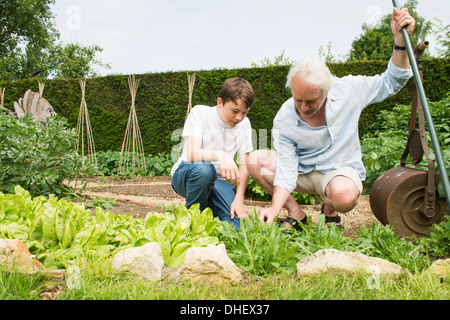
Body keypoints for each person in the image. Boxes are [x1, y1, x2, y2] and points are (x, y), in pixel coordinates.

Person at [247, 7, 416, 231]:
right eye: (298, 100)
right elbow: (287, 169)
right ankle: (296, 214)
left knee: (343, 196)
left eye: (311, 101)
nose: (303, 108)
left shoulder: (348, 90)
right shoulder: (285, 117)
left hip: (339, 171)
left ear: (326, 91)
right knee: (255, 160)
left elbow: (392, 81)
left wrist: (400, 41)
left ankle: (330, 209)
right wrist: (274, 207)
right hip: (302, 172)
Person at [171, 78, 255, 231]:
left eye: (244, 112)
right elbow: (192, 153)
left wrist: (239, 198)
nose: (239, 118)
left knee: (236, 228)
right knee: (204, 170)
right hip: (188, 174)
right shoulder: (200, 113)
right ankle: (194, 220)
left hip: (219, 182)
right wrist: (222, 155)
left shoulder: (245, 124)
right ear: (220, 102)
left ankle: (211, 207)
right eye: (235, 111)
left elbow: (244, 164)